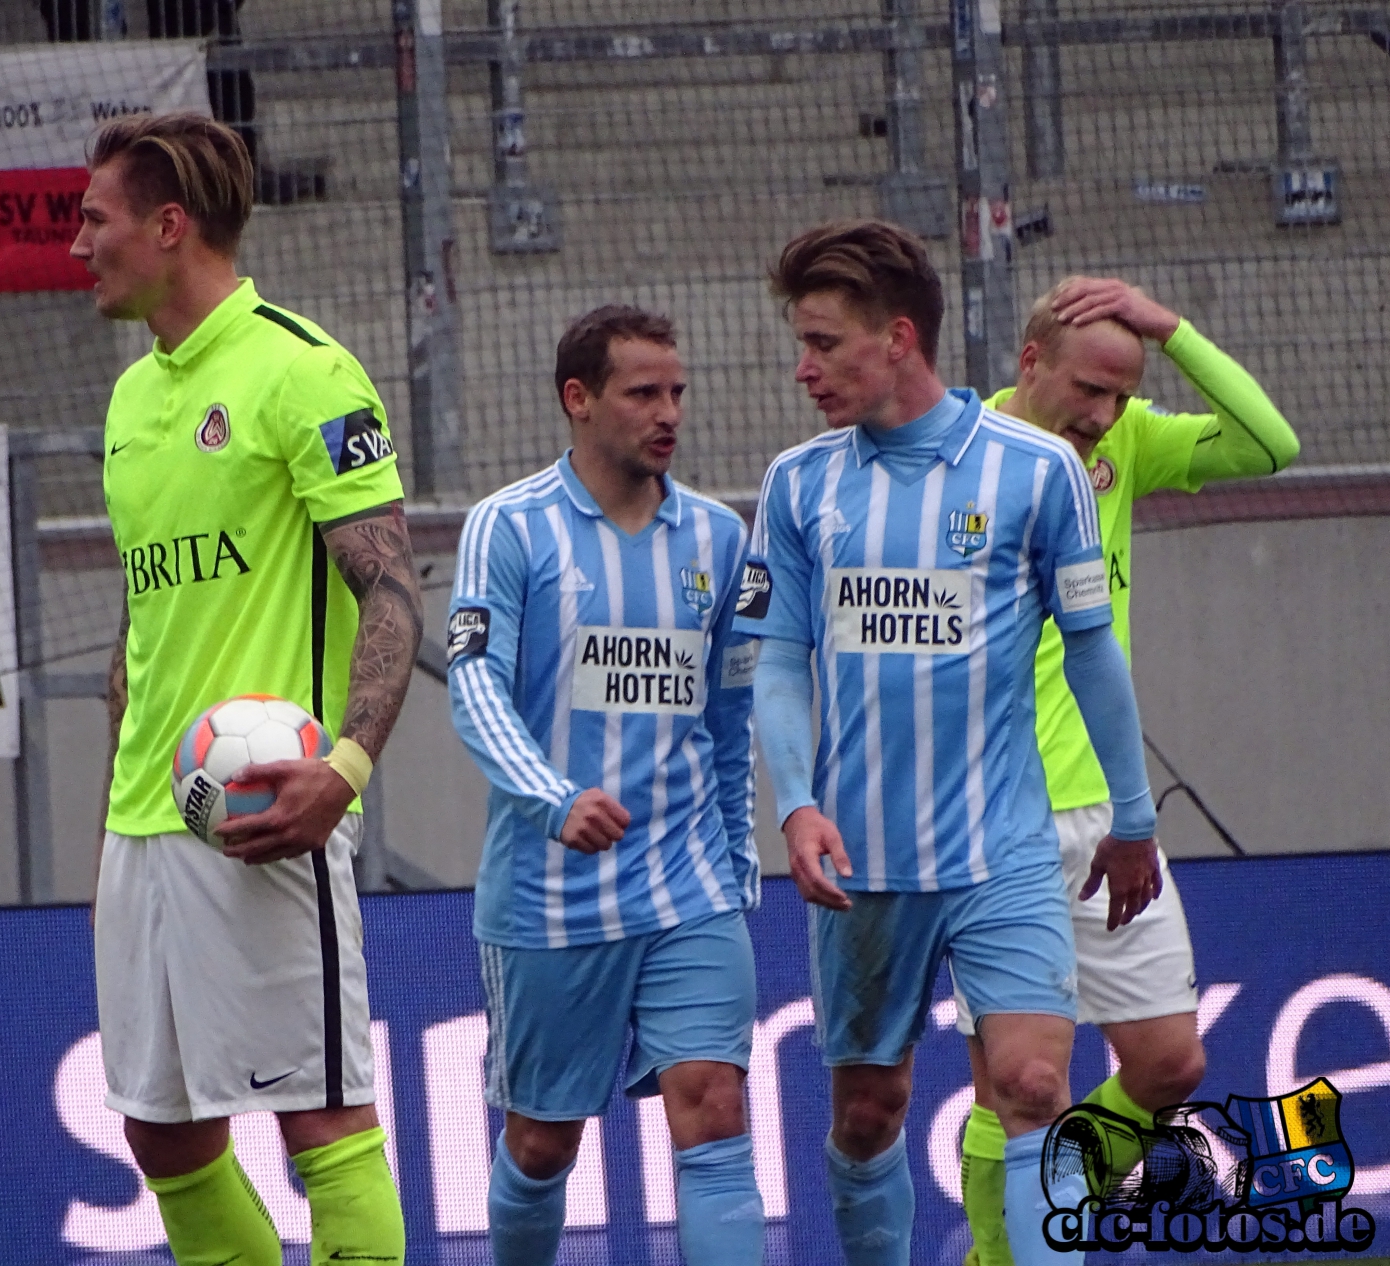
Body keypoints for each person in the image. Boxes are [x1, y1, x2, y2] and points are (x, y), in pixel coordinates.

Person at [739, 220, 1164, 1266]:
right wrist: (794, 802)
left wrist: (1132, 815)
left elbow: (1092, 652)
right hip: (864, 857)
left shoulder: (1036, 471)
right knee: (869, 1115)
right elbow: (779, 663)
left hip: (1003, 849)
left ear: (898, 337)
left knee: (1031, 1087)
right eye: (802, 343)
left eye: (825, 343)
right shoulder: (800, 485)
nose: (806, 369)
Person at [75, 112, 421, 1266]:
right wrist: (123, 757)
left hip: (267, 812)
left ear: (169, 227)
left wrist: (346, 769)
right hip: (146, 822)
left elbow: (391, 591)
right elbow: (147, 608)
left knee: (320, 1118)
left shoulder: (299, 368)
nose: (79, 243)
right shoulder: (131, 400)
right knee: (160, 1132)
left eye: (96, 218)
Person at [956, 276, 1300, 1265]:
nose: (1106, 418)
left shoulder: (1124, 449)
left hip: (1114, 822)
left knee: (1170, 1063)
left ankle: (1027, 1222)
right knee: (1021, 1085)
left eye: (1121, 394)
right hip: (996, 825)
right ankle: (1002, 1254)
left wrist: (1174, 330)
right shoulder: (963, 455)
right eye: (1089, 392)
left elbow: (1271, 445)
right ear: (1030, 366)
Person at [446, 305, 765, 1266]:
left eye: (677, 392)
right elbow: (472, 684)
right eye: (642, 393)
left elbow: (730, 716)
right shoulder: (508, 528)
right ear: (577, 401)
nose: (668, 412)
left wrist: (739, 855)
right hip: (549, 900)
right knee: (543, 1144)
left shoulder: (720, 538)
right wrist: (554, 797)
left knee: (713, 1109)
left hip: (690, 888)